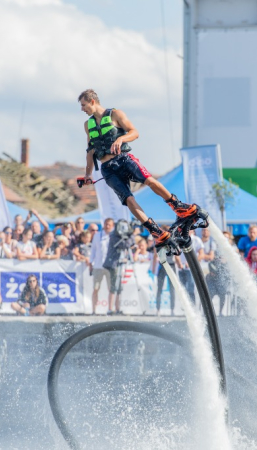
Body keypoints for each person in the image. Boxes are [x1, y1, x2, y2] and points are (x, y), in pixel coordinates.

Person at [79, 89, 200, 248]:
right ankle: (155, 230)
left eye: (84, 105)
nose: (82, 109)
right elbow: (90, 151)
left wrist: (121, 138)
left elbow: (134, 132)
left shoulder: (115, 114)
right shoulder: (88, 124)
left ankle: (177, 205)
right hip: (107, 169)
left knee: (150, 181)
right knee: (128, 199)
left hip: (123, 159)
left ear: (92, 101)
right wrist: (88, 174)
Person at [90, 218, 114, 315]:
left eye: (109, 224)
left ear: (112, 226)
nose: (107, 226)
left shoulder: (114, 236)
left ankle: (110, 309)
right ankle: (93, 310)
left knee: (111, 289)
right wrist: (91, 262)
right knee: (96, 288)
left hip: (110, 266)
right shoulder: (97, 235)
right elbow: (93, 250)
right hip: (98, 266)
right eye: (106, 224)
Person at [175, 230, 204, 303]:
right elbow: (176, 254)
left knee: (191, 289)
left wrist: (191, 263)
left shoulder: (196, 240)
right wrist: (179, 263)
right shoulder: (178, 239)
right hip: (181, 268)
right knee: (183, 289)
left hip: (191, 269)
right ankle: (185, 306)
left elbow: (201, 255)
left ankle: (193, 306)